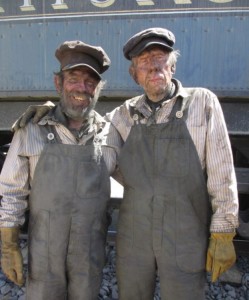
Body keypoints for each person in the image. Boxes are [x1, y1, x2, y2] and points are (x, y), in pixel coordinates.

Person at [12, 27, 239, 300]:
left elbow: (222, 173)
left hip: (186, 235)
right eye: (143, 62)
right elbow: (83, 128)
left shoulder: (202, 103)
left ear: (173, 65)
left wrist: (224, 232)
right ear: (134, 75)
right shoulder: (122, 116)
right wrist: (53, 110)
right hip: (135, 237)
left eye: (160, 58)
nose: (153, 66)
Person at [0, 40, 119, 299]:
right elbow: (11, 192)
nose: (82, 88)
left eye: (90, 82)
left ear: (98, 89)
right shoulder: (32, 129)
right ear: (58, 83)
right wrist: (9, 247)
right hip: (44, 255)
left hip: (89, 255)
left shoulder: (110, 133)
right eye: (73, 78)